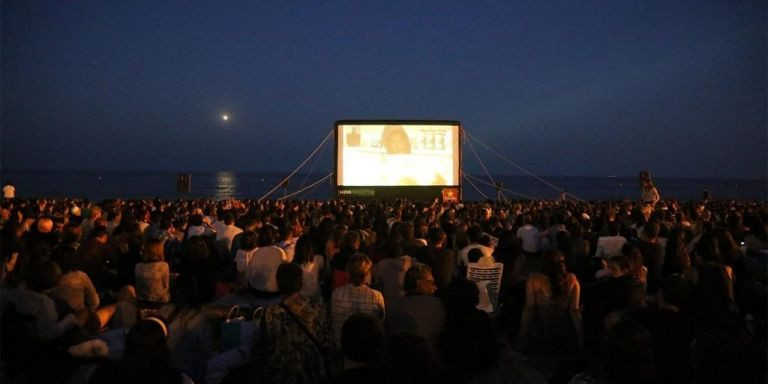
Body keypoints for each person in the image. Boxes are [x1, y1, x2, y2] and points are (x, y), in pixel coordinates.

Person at [242, 263, 335, 384]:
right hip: (313, 367)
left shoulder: (271, 312)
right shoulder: (317, 304)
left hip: (284, 371)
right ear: (300, 282)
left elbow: (266, 344)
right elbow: (326, 338)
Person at [519, 249, 582, 353]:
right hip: (564, 334)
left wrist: (521, 337)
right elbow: (575, 312)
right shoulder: (572, 279)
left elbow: (529, 309)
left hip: (542, 333)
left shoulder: (534, 279)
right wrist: (581, 344)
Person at [386, 262, 445, 348]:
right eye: (430, 282)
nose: (435, 287)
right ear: (419, 283)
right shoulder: (436, 305)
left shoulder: (392, 305)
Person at [331, 253, 385, 344]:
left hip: (342, 346)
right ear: (367, 274)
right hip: (368, 347)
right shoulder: (376, 296)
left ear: (348, 273)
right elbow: (381, 322)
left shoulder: (336, 294)